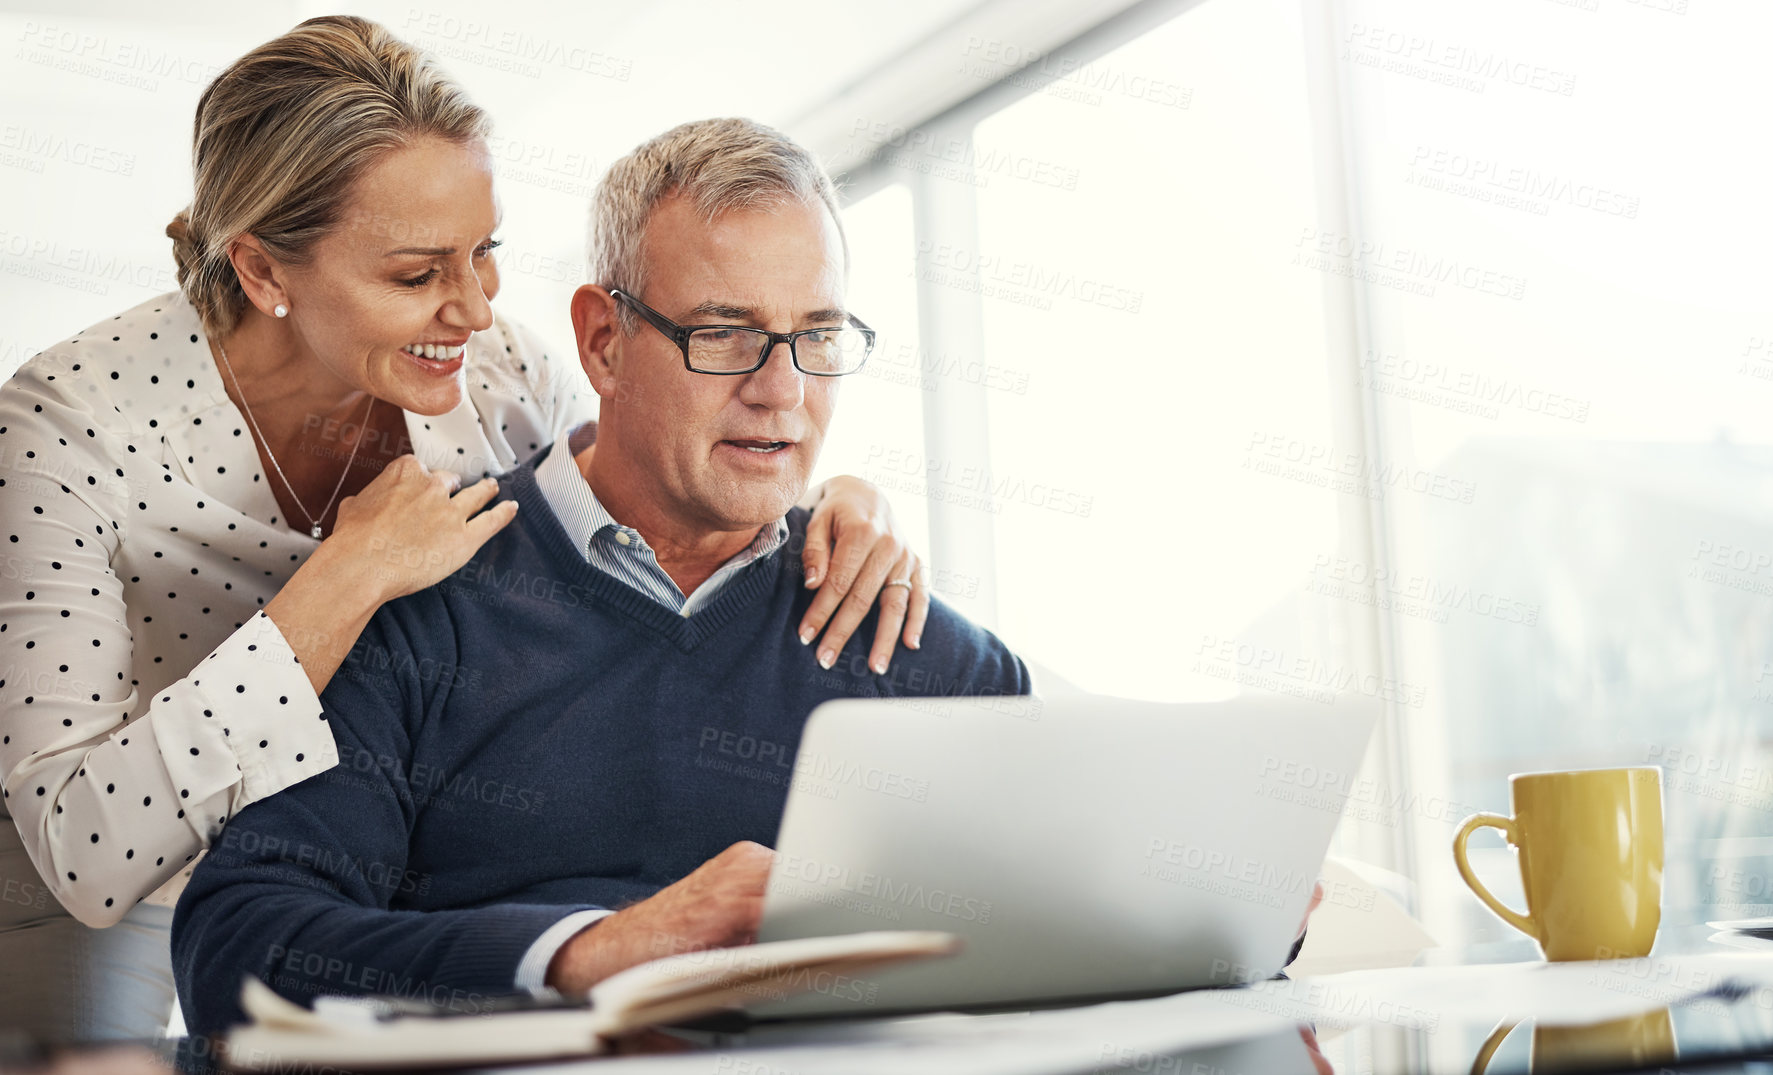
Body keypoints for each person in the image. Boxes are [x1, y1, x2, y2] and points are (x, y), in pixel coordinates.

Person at [0, 18, 929, 1044]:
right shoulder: (68, 430)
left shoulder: (496, 376)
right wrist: (343, 580)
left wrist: (834, 502)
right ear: (263, 271)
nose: (476, 310)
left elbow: (660, 475)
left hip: (345, 838)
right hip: (112, 868)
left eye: (483, 254)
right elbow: (83, 849)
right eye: (416, 275)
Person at [170, 116, 1034, 1038]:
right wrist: (583, 954)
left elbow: (1077, 936)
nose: (782, 392)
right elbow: (239, 952)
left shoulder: (925, 653)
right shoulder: (419, 608)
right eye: (724, 335)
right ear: (603, 342)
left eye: (816, 336)